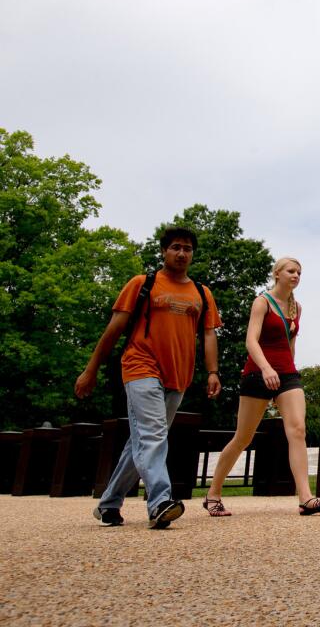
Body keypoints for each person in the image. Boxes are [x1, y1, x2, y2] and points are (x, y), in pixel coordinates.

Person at [76, 225, 221, 529]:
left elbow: (209, 336)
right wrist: (91, 370)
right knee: (154, 434)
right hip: (140, 365)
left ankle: (109, 503)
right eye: (176, 247)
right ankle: (159, 503)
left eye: (187, 249)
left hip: (178, 375)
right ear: (164, 251)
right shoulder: (143, 284)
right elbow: (114, 329)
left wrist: (212, 372)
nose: (182, 253)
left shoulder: (202, 294)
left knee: (141, 440)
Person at [202, 256, 320, 516]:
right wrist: (266, 368)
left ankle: (306, 498)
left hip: (287, 374)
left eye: (299, 272)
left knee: (297, 430)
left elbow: (290, 344)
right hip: (257, 373)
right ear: (277, 274)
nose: (296, 275)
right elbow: (251, 341)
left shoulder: (297, 308)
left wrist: (288, 372)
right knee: (243, 438)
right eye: (291, 271)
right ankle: (213, 493)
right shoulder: (262, 302)